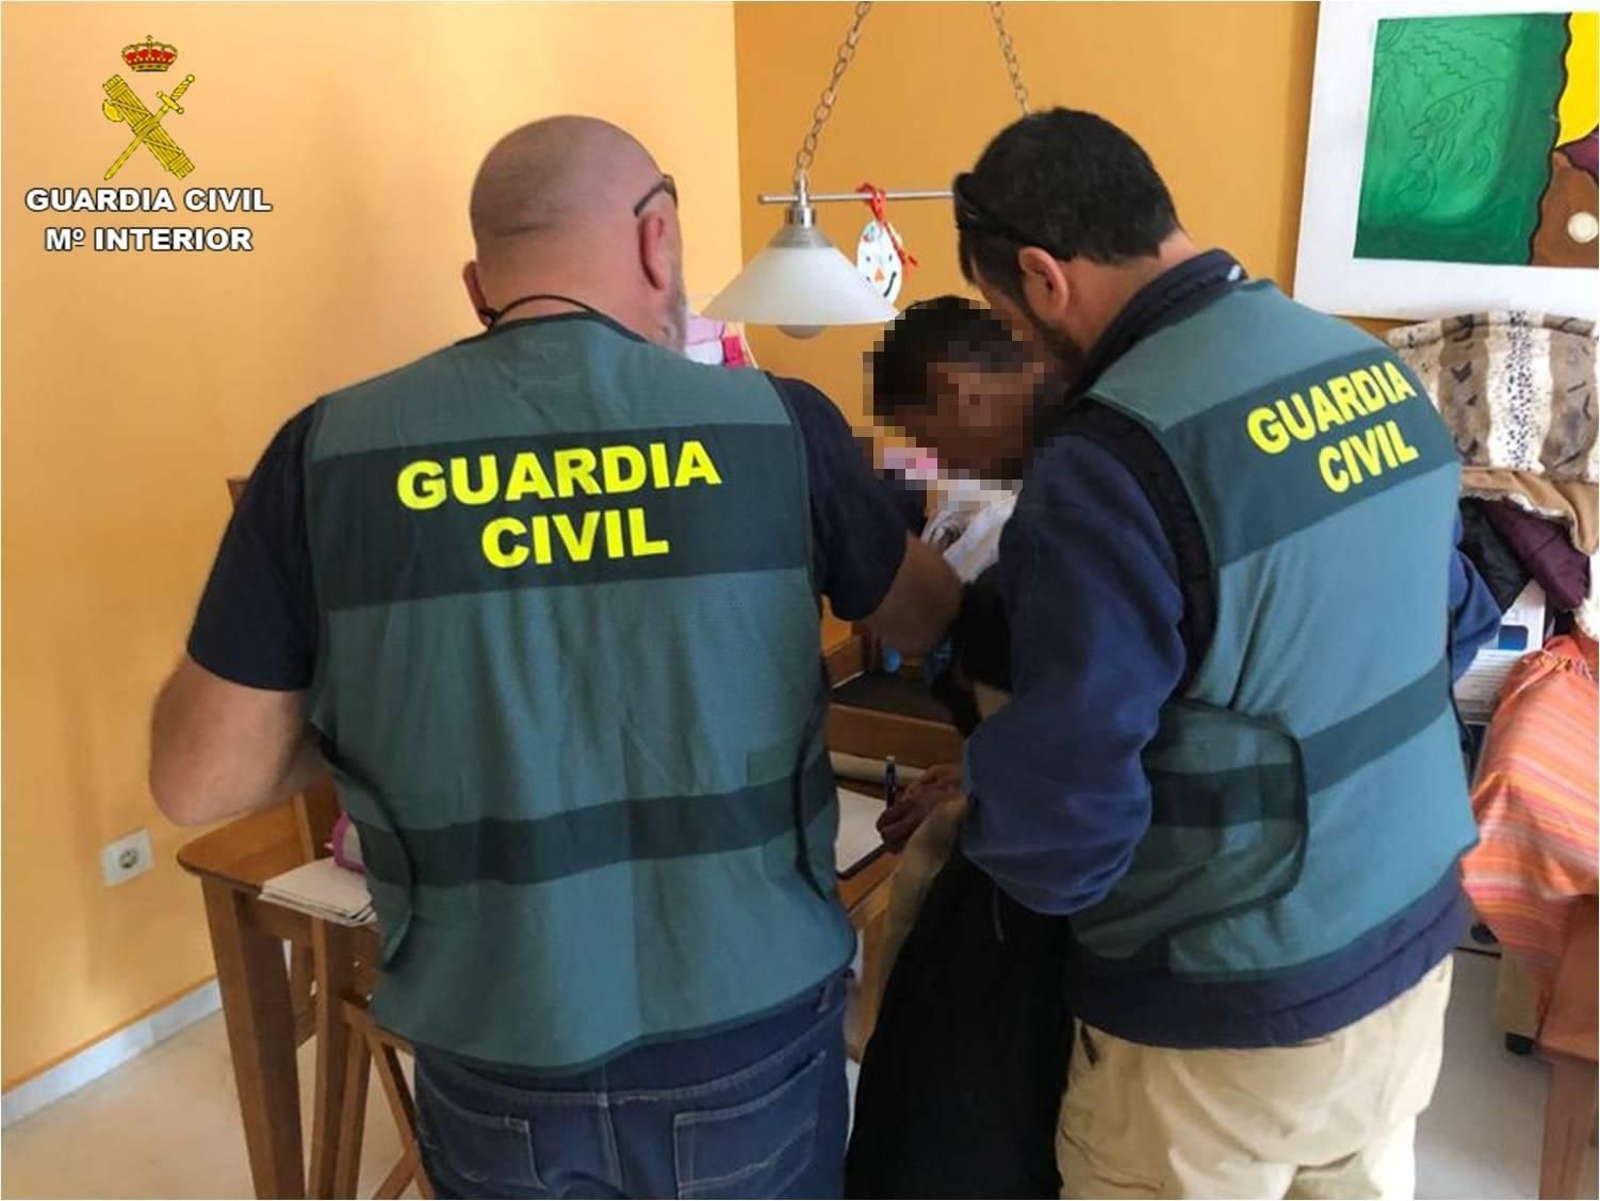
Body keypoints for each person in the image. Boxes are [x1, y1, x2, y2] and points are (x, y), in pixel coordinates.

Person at [149, 115, 959, 1200]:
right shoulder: (773, 423)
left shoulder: (326, 451)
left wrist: (378, 691)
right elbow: (925, 618)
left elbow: (200, 777)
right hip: (747, 1026)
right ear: (656, 239)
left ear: (480, 284)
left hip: (495, 1043)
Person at [930, 109, 1500, 1200]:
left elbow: (1063, 839)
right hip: (1407, 946)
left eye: (1010, 315)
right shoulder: (1367, 367)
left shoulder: (1110, 456)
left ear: (1044, 279)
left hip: (1225, 1017)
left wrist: (974, 800)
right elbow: (1453, 616)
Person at [847, 298, 1072, 1199]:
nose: (943, 464)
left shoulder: (1080, 482)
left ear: (956, 389)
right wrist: (968, 776)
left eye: (927, 436)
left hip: (1053, 881)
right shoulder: (1068, 469)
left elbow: (1072, 720)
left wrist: (983, 792)